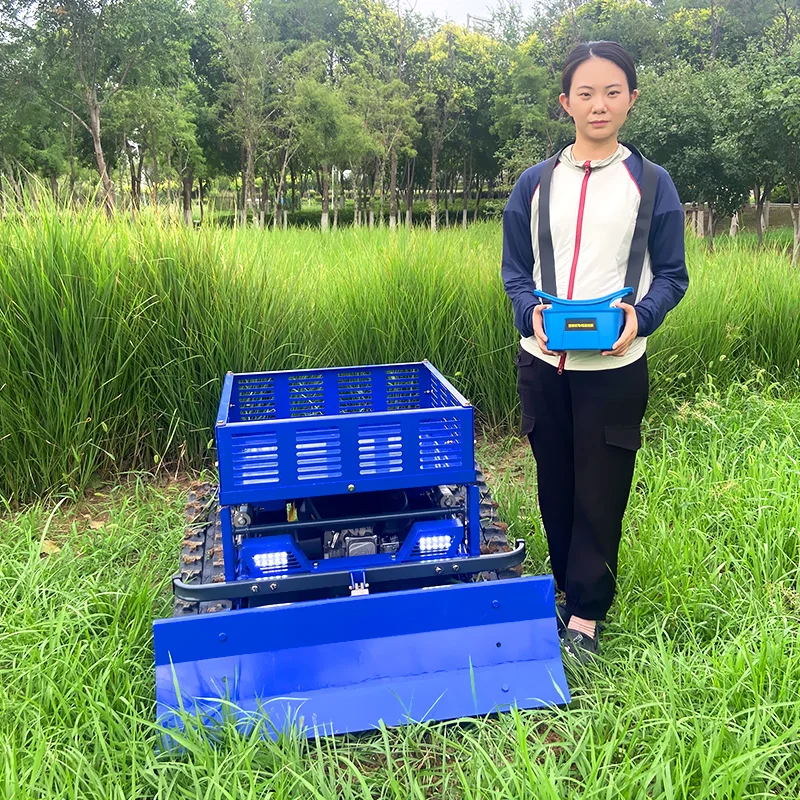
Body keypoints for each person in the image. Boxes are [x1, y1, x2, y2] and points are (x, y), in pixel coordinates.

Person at [501, 41, 689, 664]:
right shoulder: (534, 184)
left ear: (632, 99)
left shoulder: (652, 185)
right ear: (565, 103)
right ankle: (564, 583)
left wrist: (643, 317)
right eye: (585, 92)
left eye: (612, 91)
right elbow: (514, 271)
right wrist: (530, 311)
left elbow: (671, 276)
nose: (599, 104)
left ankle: (585, 613)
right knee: (555, 482)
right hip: (543, 362)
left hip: (614, 367)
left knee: (602, 486)